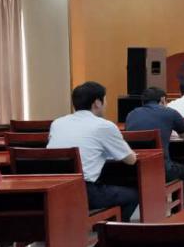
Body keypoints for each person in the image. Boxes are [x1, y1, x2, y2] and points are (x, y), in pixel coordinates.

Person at [48, 81, 139, 221]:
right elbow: (130, 160)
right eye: (105, 100)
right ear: (97, 103)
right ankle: (110, 232)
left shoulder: (57, 123)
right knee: (133, 194)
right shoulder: (104, 126)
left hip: (54, 190)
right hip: (84, 192)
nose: (106, 104)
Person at [124, 86, 184, 199]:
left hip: (134, 170)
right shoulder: (170, 112)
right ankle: (178, 206)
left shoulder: (131, 114)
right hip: (162, 171)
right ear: (163, 100)